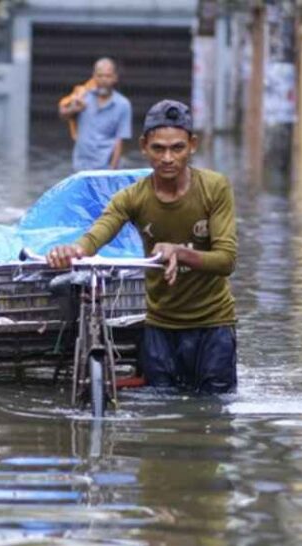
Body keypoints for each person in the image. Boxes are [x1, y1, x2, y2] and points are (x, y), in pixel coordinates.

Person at [46, 100, 238, 393]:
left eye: (177, 148)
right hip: (160, 327)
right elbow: (96, 235)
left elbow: (226, 260)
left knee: (215, 413)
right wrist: (72, 251)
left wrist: (178, 251)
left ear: (192, 146)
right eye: (159, 149)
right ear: (144, 147)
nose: (168, 158)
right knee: (160, 410)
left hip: (213, 326)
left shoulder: (215, 188)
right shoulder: (132, 197)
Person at [58, 58, 132, 172]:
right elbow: (63, 115)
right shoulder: (82, 97)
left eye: (108, 76)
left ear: (115, 78)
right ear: (94, 76)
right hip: (81, 166)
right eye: (100, 76)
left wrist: (112, 171)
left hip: (105, 166)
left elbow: (120, 140)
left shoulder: (123, 105)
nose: (103, 80)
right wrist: (75, 109)